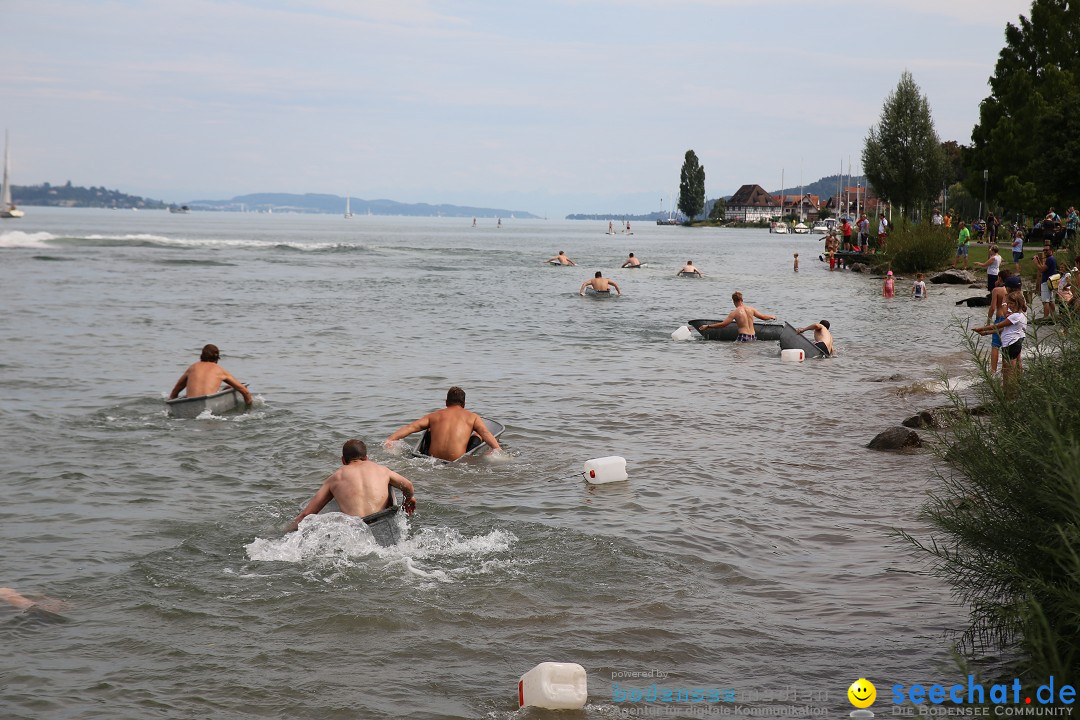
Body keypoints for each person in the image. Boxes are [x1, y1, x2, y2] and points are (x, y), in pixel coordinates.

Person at [286, 439, 416, 532]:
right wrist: (409, 499)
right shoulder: (382, 470)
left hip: (355, 531)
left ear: (343, 460)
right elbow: (408, 486)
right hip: (382, 522)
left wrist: (284, 531)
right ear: (366, 458)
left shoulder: (335, 478)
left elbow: (306, 514)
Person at [384, 386, 503, 462]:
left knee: (429, 430)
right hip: (457, 461)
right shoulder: (472, 417)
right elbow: (485, 432)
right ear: (464, 404)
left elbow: (411, 427)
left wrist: (390, 439)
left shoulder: (434, 416)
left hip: (431, 460)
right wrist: (497, 449)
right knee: (478, 434)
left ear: (446, 402)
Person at [974, 289, 1028, 391]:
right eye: (1008, 303)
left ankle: (1009, 392)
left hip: (1011, 345)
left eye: (1011, 303)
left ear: (1018, 303)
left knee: (1008, 371)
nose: (1009, 306)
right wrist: (986, 333)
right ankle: (1009, 390)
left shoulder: (1016, 316)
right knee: (1007, 369)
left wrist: (982, 328)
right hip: (1010, 344)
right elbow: (1003, 329)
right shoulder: (1017, 315)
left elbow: (1000, 325)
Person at [169, 344, 253, 406]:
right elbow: (245, 392)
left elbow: (175, 392)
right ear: (217, 358)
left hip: (190, 405)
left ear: (201, 356)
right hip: (209, 410)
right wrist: (248, 409)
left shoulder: (192, 368)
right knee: (229, 388)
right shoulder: (219, 370)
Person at [696, 291, 776, 342]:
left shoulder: (735, 312)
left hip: (743, 336)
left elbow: (723, 324)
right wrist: (771, 316)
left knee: (737, 360)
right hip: (753, 337)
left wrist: (708, 326)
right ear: (742, 300)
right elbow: (763, 317)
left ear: (733, 301)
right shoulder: (751, 309)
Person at [986, 271, 1015, 374]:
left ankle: (993, 372)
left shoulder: (996, 290)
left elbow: (992, 308)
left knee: (995, 345)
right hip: (1010, 319)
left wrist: (988, 321)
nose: (996, 280)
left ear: (1001, 279)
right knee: (1006, 345)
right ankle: (1005, 369)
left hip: (1000, 319)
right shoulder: (1012, 290)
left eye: (998, 278)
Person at [1035, 245, 1059, 318]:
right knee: (1050, 300)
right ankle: (1053, 316)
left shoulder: (1050, 259)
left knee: (1045, 301)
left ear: (1051, 251)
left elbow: (1042, 270)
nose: (1045, 251)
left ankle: (1045, 317)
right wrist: (1039, 261)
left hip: (1046, 282)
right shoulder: (1051, 259)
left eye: (1046, 250)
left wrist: (1035, 263)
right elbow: (1044, 267)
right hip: (1050, 282)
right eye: (1044, 250)